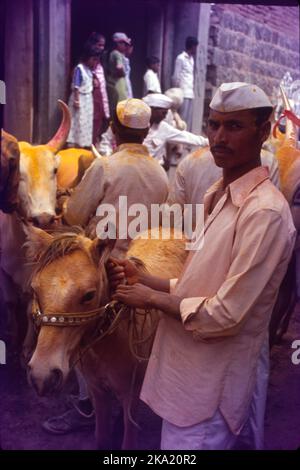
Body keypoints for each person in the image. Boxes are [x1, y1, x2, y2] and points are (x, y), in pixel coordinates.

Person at [109, 82, 296, 450]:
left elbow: (226, 314)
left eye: (234, 126)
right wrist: (151, 280)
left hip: (209, 392)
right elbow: (205, 282)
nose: (219, 137)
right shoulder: (218, 195)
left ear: (263, 131)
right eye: (213, 125)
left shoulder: (266, 213)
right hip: (186, 379)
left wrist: (150, 297)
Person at [64, 98, 169, 257]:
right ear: (147, 132)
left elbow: (73, 217)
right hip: (141, 263)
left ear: (113, 129)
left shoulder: (104, 167)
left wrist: (64, 202)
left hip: (102, 260)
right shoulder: (161, 174)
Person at [142, 93, 207, 169]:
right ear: (152, 109)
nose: (165, 116)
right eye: (163, 113)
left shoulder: (164, 128)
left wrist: (208, 142)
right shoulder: (135, 125)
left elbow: (187, 137)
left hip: (153, 169)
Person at [67, 45, 100, 148]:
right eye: (93, 59)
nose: (94, 62)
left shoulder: (89, 70)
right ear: (87, 57)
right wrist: (76, 100)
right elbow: (76, 85)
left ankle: (83, 143)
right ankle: (74, 143)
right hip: (80, 98)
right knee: (78, 121)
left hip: (88, 99)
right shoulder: (79, 68)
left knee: (86, 123)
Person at [85, 32, 110, 139]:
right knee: (91, 119)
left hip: (100, 95)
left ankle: (95, 140)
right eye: (99, 45)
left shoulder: (101, 61)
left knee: (99, 119)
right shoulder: (87, 62)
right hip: (90, 97)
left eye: (103, 45)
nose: (101, 48)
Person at [172, 36, 199, 131]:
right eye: (195, 47)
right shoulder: (181, 58)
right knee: (181, 120)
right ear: (192, 46)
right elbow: (176, 76)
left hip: (190, 93)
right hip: (182, 93)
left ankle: (184, 143)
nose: (196, 49)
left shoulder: (191, 59)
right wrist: (177, 93)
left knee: (187, 121)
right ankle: (179, 144)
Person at [106, 32, 131, 117]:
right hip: (118, 82)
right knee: (121, 105)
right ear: (118, 43)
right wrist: (123, 74)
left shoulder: (113, 53)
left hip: (115, 82)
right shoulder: (117, 53)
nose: (125, 46)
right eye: (123, 43)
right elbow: (119, 67)